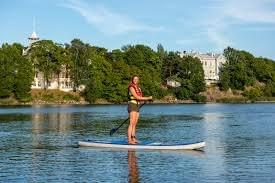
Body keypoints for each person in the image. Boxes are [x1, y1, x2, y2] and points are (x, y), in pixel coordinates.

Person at [127, 75, 152, 144]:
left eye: (137, 79)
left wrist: (148, 100)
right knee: (131, 123)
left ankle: (133, 138)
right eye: (134, 79)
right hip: (132, 105)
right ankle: (129, 140)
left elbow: (140, 98)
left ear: (138, 80)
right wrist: (148, 98)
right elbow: (136, 97)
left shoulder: (138, 88)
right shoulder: (131, 87)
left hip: (137, 106)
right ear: (132, 80)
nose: (135, 80)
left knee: (135, 124)